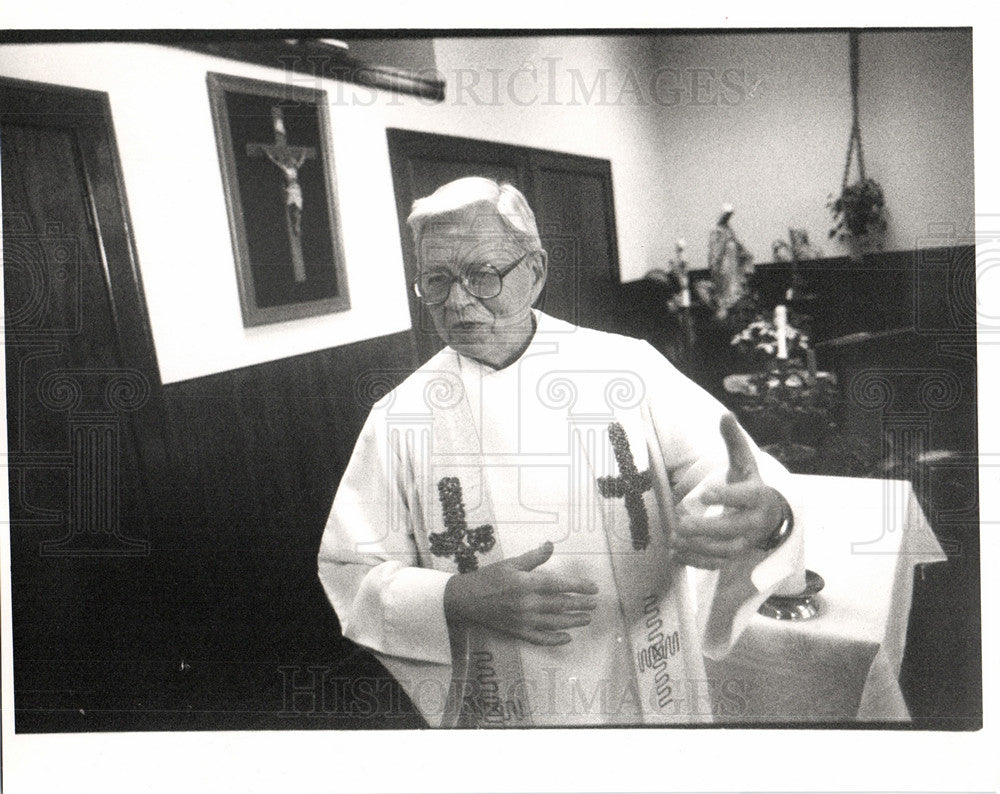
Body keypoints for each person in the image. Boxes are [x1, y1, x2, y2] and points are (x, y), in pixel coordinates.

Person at [318, 177, 804, 727]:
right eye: (437, 280)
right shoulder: (398, 418)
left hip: (646, 685)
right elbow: (351, 571)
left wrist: (764, 513)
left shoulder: (628, 369)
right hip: (506, 714)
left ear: (536, 272)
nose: (457, 301)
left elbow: (731, 474)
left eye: (483, 275)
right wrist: (456, 597)